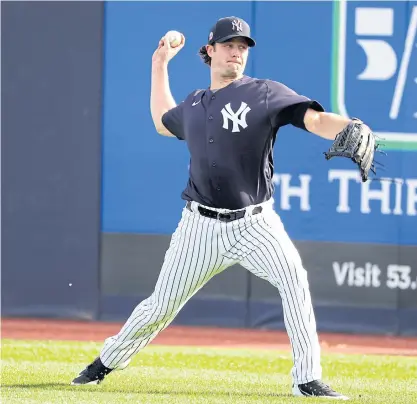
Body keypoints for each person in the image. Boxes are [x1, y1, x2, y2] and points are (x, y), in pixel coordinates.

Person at [71, 16, 352, 400]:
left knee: (295, 282)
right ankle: (104, 362)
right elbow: (161, 123)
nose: (237, 51)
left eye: (243, 46)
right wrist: (159, 65)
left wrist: (349, 127)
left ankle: (307, 379)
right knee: (160, 306)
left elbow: (314, 118)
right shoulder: (194, 104)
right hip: (198, 227)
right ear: (210, 51)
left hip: (256, 224)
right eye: (229, 44)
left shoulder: (263, 93)